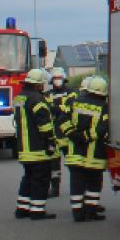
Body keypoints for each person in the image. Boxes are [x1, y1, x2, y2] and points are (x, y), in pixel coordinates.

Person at [60, 76, 109, 222]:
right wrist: (86, 136)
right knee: (94, 184)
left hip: (75, 153)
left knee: (77, 184)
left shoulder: (75, 102)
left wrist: (73, 135)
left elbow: (62, 121)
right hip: (95, 155)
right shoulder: (104, 107)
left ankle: (77, 213)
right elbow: (102, 129)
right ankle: (91, 212)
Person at [14, 68, 58, 220]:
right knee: (41, 179)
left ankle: (22, 209)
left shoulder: (20, 98)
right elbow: (44, 125)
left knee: (28, 177)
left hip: (23, 148)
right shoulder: (37, 100)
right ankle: (37, 211)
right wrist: (52, 141)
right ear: (39, 85)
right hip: (37, 148)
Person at [43, 68, 72, 197]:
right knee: (53, 165)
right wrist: (59, 109)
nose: (57, 81)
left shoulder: (72, 94)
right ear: (51, 80)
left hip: (68, 135)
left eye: (59, 78)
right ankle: (55, 189)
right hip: (54, 136)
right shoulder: (47, 94)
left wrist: (57, 109)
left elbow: (70, 109)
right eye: (55, 78)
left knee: (73, 164)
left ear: (64, 78)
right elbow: (47, 110)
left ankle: (77, 188)